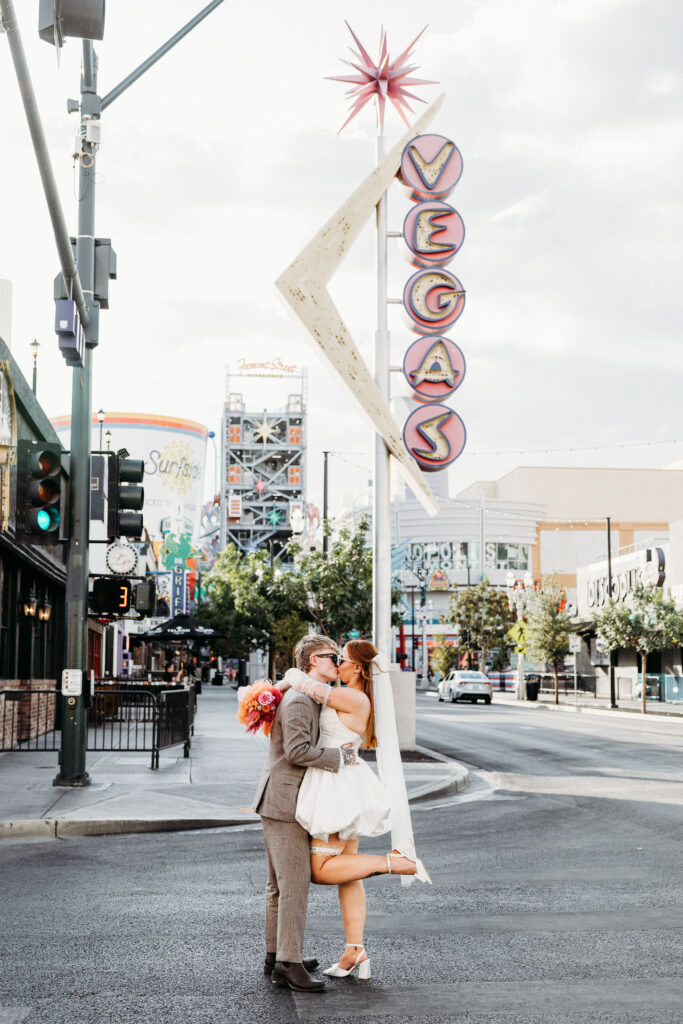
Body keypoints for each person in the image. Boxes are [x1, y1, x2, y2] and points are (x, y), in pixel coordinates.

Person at [278, 638, 430, 982]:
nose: (337, 663)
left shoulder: (354, 696)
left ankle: (395, 863)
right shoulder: (354, 695)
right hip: (343, 778)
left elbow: (304, 682)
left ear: (357, 668)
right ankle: (354, 950)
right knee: (348, 877)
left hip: (337, 784)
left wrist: (288, 674)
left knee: (319, 869)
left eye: (341, 659)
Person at [252, 634, 346, 994]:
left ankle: (277, 956)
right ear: (312, 662)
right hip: (285, 802)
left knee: (278, 886)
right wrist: (344, 758)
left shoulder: (304, 696)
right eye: (331, 657)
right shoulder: (300, 701)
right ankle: (289, 964)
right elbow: (297, 752)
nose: (337, 662)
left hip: (278, 798)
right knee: (293, 885)